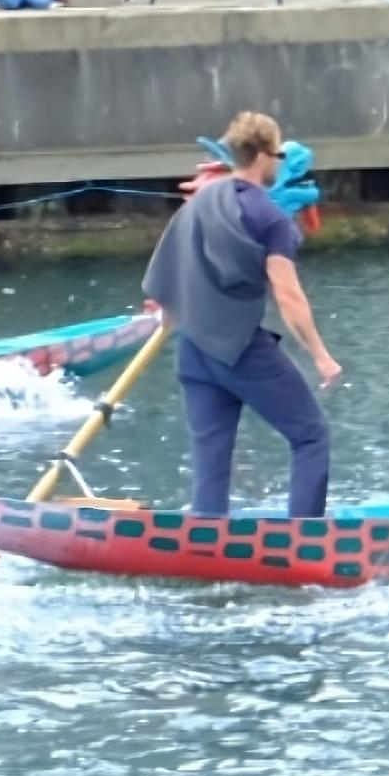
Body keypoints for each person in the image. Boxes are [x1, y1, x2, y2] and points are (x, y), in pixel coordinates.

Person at [143, 110, 339, 517]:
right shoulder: (271, 220)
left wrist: (169, 318)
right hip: (241, 352)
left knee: (211, 464)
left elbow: (169, 273)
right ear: (265, 155)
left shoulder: (199, 204)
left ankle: (205, 541)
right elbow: (288, 296)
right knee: (311, 436)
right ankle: (306, 540)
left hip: (194, 349)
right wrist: (321, 355)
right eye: (280, 156)